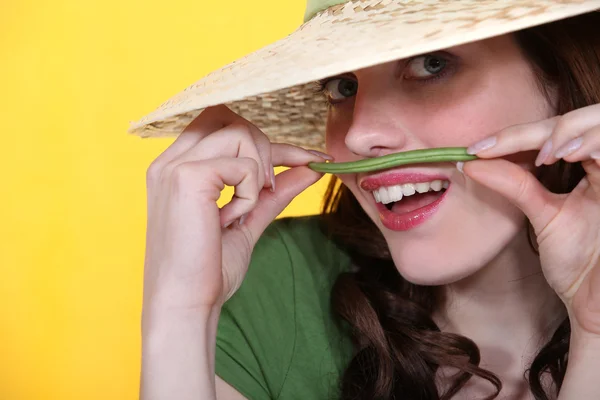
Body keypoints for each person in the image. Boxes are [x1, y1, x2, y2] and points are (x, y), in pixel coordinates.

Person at [130, 0, 600, 399]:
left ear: (561, 81)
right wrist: (181, 313)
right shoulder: (271, 279)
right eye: (343, 87)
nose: (358, 135)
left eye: (431, 63)